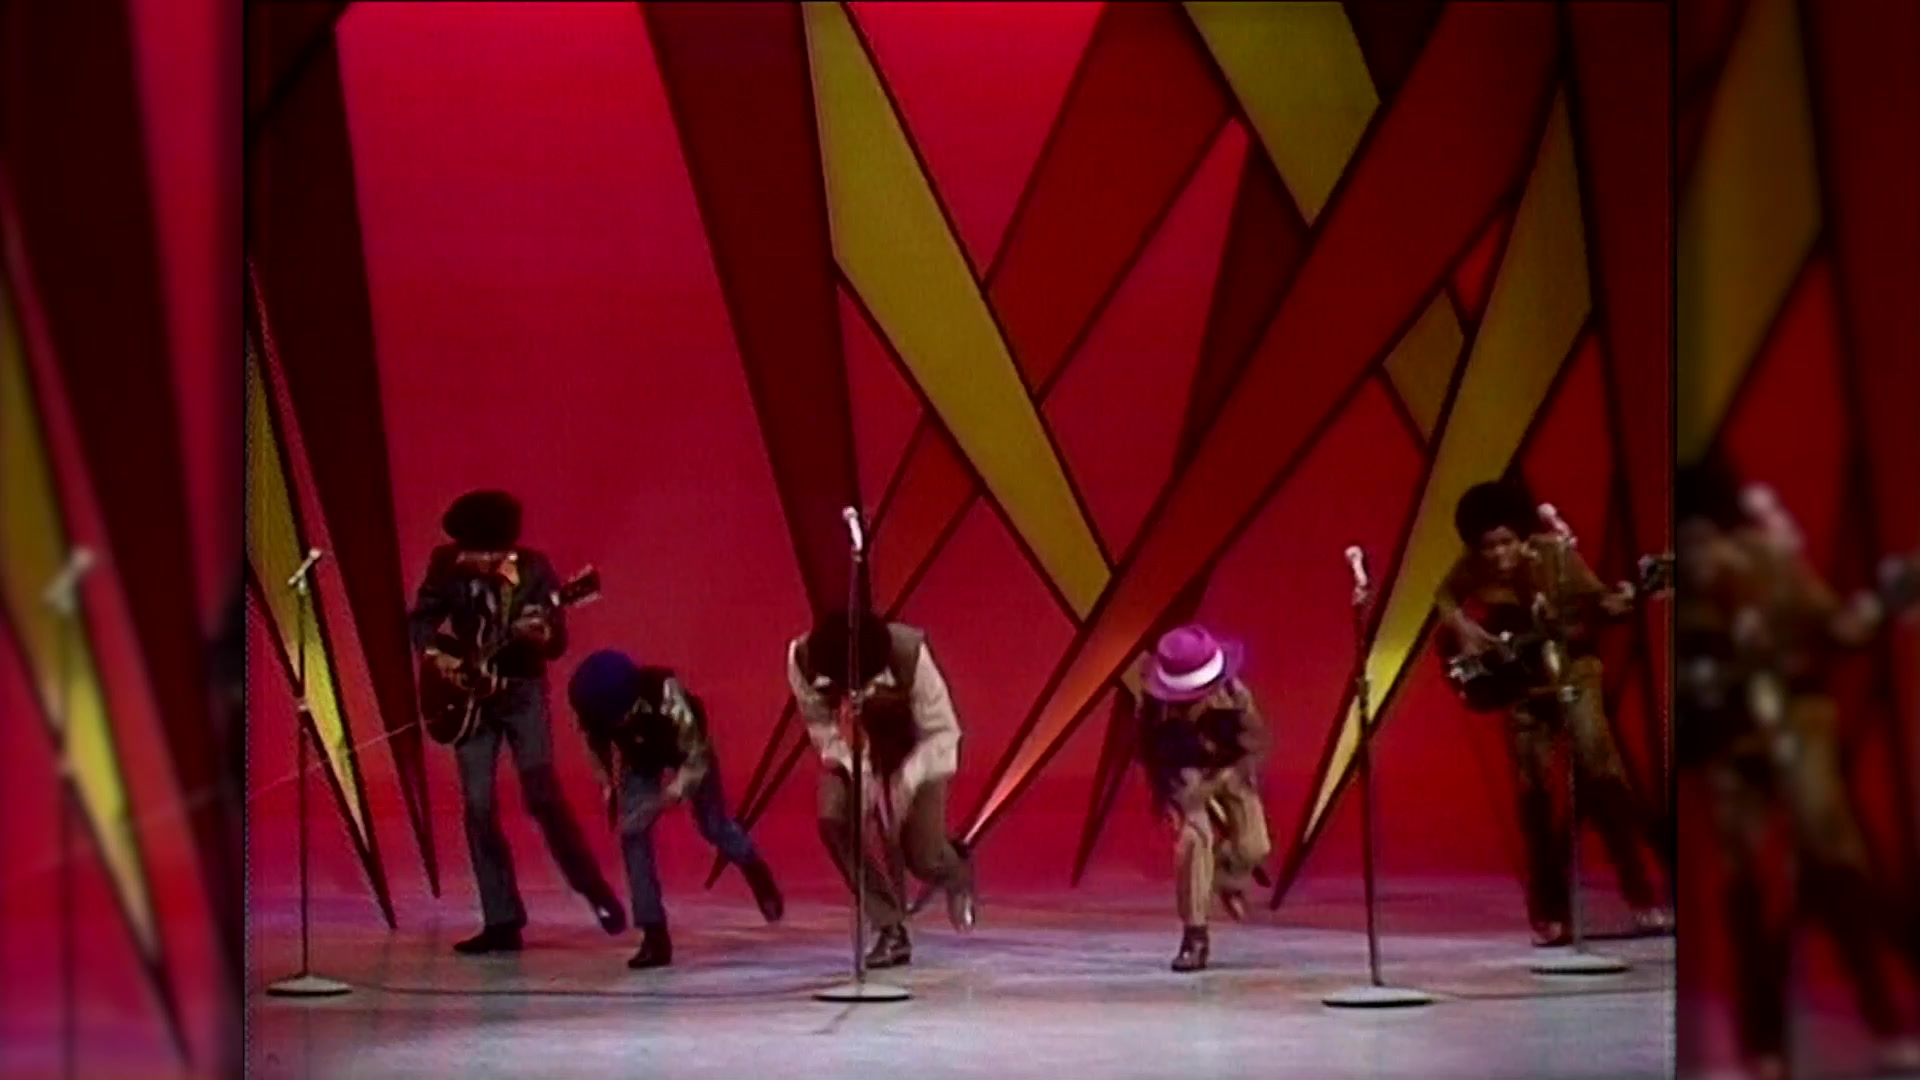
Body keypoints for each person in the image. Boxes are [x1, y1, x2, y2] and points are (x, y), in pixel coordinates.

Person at [1675, 463, 1920, 1079]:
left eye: (1706, 540)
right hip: (1730, 745)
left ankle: (1883, 1018)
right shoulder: (1687, 599)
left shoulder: (1772, 565)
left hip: (1795, 725)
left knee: (1832, 861)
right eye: (1687, 544)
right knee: (1750, 890)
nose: (1700, 558)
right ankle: (1763, 1046)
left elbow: (1836, 627)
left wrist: (1879, 607)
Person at [1436, 480, 1671, 946]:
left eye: (1507, 543)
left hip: (1574, 674)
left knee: (1602, 776)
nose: (1498, 555)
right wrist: (1463, 630)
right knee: (1534, 797)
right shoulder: (1472, 567)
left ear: (1524, 536)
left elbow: (1602, 603)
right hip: (1523, 687)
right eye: (1488, 547)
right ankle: (1549, 911)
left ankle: (1639, 894)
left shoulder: (1557, 557)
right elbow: (1443, 597)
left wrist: (1622, 602)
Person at [408, 489, 624, 953]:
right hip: (470, 700)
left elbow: (556, 644)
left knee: (542, 796)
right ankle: (501, 920)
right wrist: (441, 658)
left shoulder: (535, 571)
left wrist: (542, 634)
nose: (474, 560)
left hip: (522, 694)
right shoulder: (446, 564)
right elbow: (420, 622)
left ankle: (595, 892)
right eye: (470, 552)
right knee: (478, 807)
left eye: (484, 553)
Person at [568, 650, 784, 969]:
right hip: (640, 757)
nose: (615, 724)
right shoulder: (595, 712)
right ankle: (653, 933)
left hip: (688, 751)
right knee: (632, 833)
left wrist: (664, 800)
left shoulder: (667, 696)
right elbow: (594, 745)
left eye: (620, 717)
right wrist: (607, 785)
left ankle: (753, 865)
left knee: (713, 825)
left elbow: (695, 759)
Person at [787, 609, 977, 968]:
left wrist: (906, 781)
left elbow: (943, 732)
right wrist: (860, 771)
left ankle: (955, 870)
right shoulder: (803, 661)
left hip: (916, 752)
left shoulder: (910, 655)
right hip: (851, 749)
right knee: (834, 819)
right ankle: (890, 927)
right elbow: (821, 727)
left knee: (922, 856)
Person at [1134, 624, 1273, 973]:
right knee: (1195, 840)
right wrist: (1176, 794)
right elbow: (1151, 754)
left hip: (1229, 768)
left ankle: (1227, 877)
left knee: (1254, 846)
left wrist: (1227, 780)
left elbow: (1254, 745)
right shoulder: (1155, 709)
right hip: (1184, 771)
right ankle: (1194, 935)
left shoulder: (1235, 696)